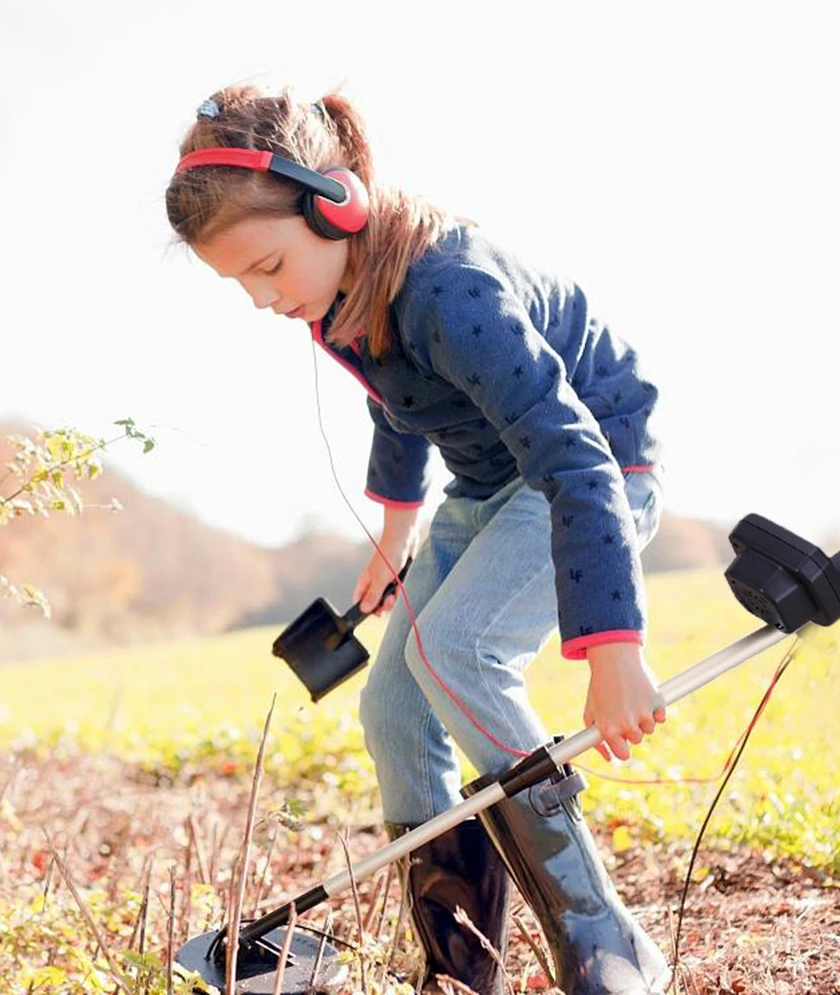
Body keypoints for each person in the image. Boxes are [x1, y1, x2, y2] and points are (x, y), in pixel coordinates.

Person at [166, 84, 670, 995]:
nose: (258, 298)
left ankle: (606, 937)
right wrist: (396, 534)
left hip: (592, 471)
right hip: (485, 488)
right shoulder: (338, 295)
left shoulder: (452, 288)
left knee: (458, 653)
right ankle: (457, 957)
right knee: (394, 708)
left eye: (267, 267)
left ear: (335, 206)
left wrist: (614, 648)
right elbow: (400, 403)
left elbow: (577, 459)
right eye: (238, 280)